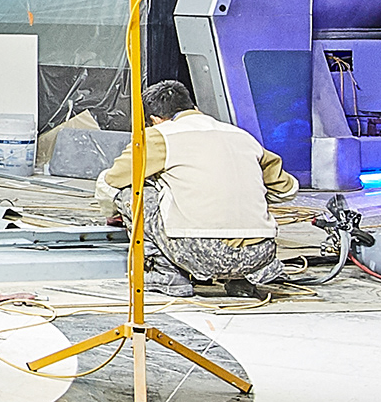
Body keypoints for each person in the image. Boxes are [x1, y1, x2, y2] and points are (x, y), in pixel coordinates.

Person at [93, 76, 298, 297]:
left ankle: (167, 275)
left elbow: (110, 182)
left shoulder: (159, 135)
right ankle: (240, 282)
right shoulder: (242, 136)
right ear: (195, 108)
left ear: (155, 120)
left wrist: (112, 213)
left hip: (201, 252)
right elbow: (287, 190)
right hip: (259, 255)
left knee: (130, 191)